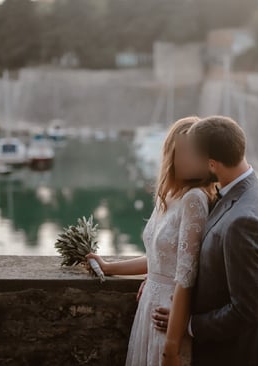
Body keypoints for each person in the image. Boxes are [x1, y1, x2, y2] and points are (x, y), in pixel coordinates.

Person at [153, 116, 258, 366]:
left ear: (212, 164)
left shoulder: (242, 222)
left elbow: (246, 312)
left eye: (194, 155)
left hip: (234, 355)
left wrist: (189, 325)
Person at [86, 116, 216, 366]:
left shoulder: (195, 199)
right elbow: (159, 259)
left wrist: (173, 346)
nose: (192, 158)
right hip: (149, 306)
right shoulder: (168, 196)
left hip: (169, 312)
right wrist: (109, 267)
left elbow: (187, 272)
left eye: (198, 152)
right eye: (185, 151)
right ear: (172, 153)